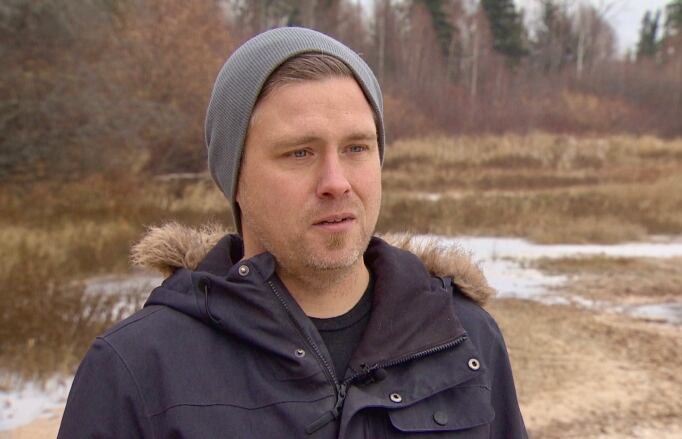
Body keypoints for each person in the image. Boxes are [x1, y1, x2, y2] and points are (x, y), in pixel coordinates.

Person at [58, 27, 528, 438]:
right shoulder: (138, 371)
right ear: (234, 176)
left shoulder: (463, 337)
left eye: (357, 148)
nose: (336, 182)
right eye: (300, 153)